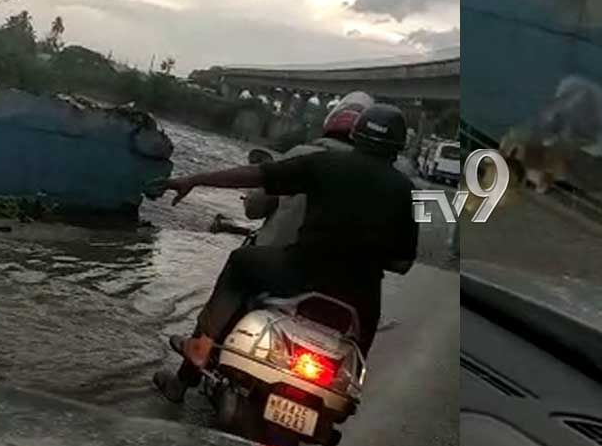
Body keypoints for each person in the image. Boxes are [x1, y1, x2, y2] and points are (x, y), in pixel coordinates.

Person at [150, 103, 417, 404]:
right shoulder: (409, 191)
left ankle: (199, 353)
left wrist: (194, 180)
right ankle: (348, 396)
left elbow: (255, 176)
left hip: (298, 274)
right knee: (361, 336)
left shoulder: (324, 163)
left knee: (240, 262)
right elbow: (404, 261)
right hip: (358, 296)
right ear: (398, 147)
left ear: (357, 134)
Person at [255, 91, 374, 248]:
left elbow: (254, 207)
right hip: (333, 267)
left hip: (274, 255)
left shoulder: (299, 154)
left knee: (241, 259)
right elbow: (402, 260)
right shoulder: (383, 178)